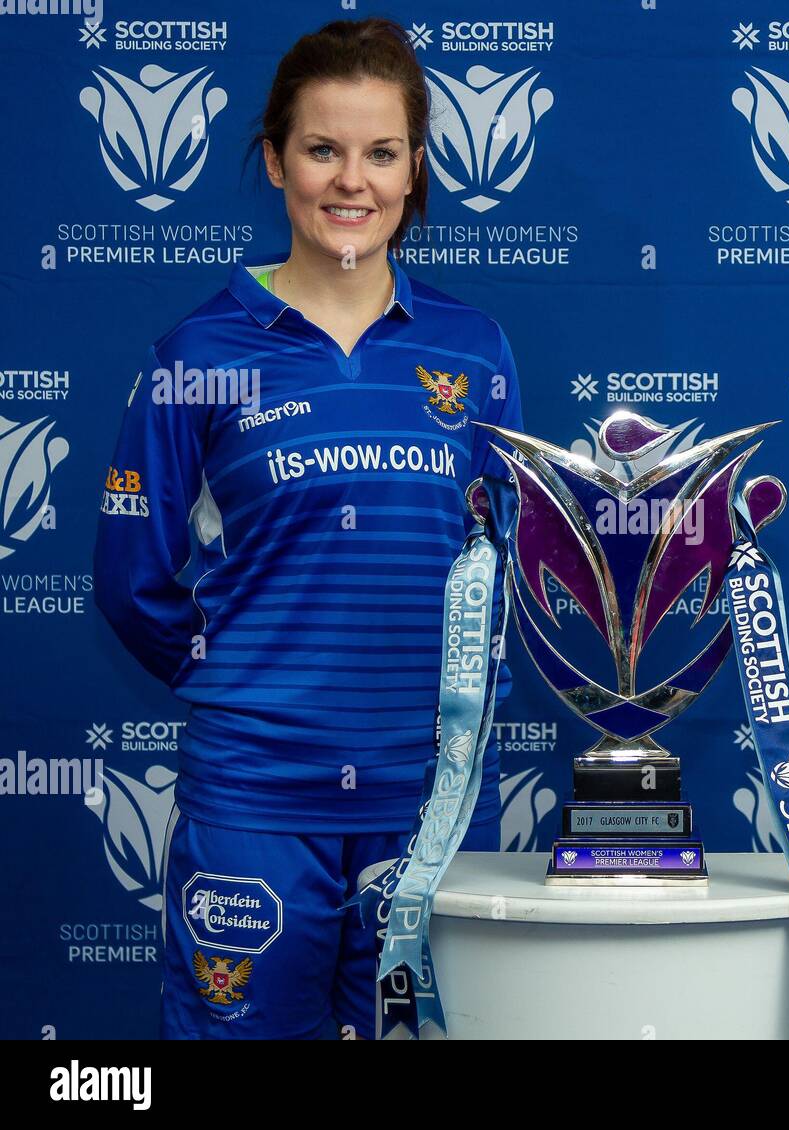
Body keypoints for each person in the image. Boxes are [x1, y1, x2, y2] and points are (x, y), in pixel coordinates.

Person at [93, 17, 522, 1039]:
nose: (351, 181)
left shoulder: (475, 346)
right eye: (323, 148)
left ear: (415, 170)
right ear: (276, 158)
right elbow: (131, 576)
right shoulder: (199, 349)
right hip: (254, 805)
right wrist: (251, 683)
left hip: (433, 805)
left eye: (381, 152)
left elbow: (498, 568)